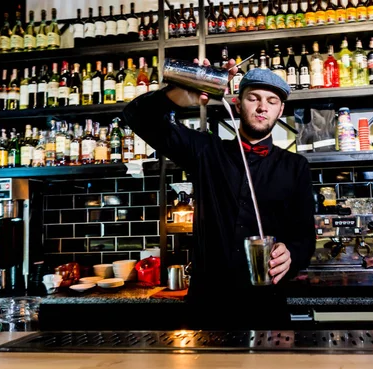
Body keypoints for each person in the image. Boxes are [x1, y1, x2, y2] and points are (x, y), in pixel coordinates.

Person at [122, 58, 316, 329]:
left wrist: (291, 254)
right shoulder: (205, 151)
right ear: (237, 103)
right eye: (254, 98)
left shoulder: (296, 167)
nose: (262, 107)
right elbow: (137, 116)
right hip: (207, 307)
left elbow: (305, 237)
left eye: (272, 101)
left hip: (267, 307)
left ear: (281, 109)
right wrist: (180, 94)